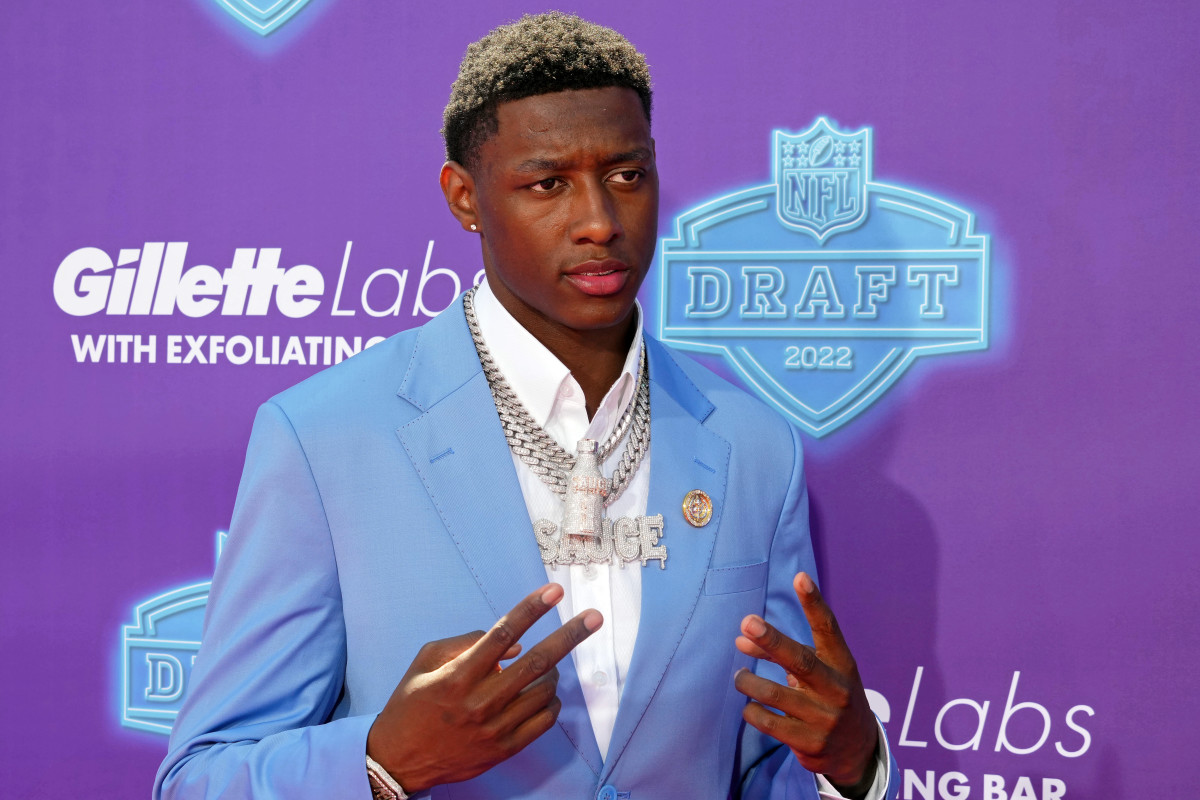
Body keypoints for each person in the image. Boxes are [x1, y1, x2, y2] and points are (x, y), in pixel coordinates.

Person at [155, 12, 898, 799]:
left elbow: (763, 768)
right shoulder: (327, 437)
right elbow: (199, 777)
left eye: (627, 175)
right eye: (548, 184)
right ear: (465, 198)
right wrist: (379, 765)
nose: (599, 222)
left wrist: (852, 772)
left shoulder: (754, 445)